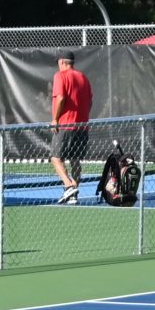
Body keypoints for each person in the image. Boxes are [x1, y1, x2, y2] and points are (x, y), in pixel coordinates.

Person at [50, 51, 94, 204]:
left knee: (56, 158)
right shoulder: (83, 77)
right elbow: (90, 101)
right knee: (75, 159)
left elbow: (61, 97)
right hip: (82, 125)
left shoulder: (59, 76)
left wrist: (55, 119)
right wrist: (83, 117)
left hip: (66, 125)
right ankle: (74, 195)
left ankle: (69, 186)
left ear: (62, 62)